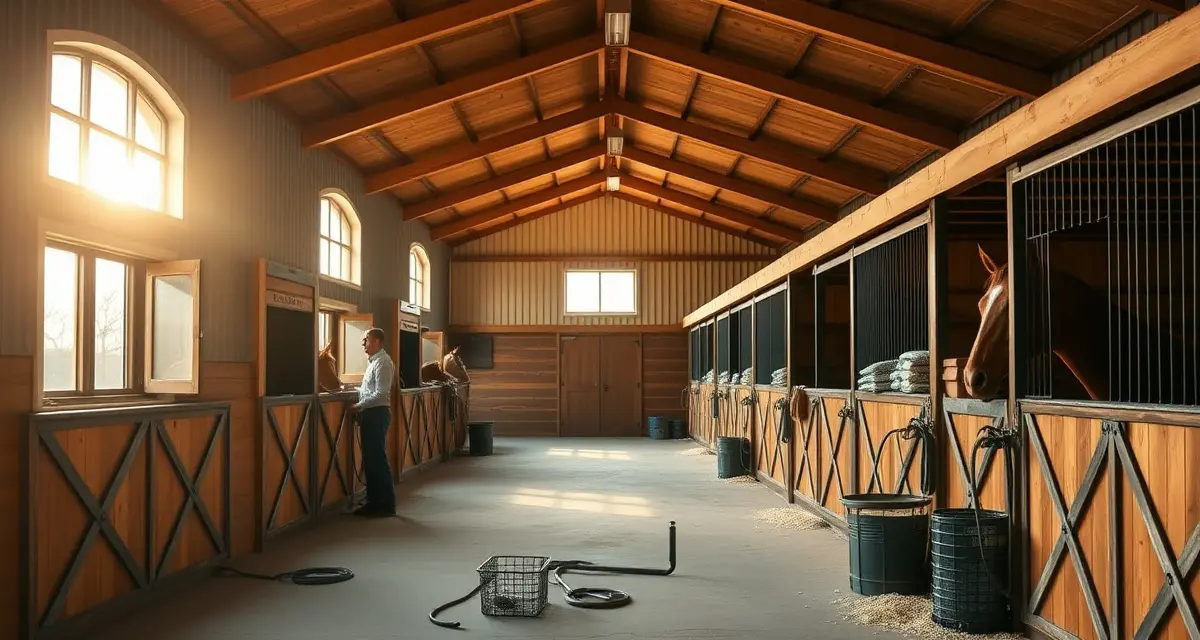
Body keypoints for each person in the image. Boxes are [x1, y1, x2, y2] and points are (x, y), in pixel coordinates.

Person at [348, 327, 396, 517]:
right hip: (372, 414)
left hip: (376, 414)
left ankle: (384, 504)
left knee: (377, 460)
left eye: (366, 339)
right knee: (371, 460)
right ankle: (374, 501)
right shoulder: (374, 363)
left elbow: (381, 394)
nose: (363, 343)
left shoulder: (383, 363)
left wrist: (359, 406)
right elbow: (368, 389)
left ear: (377, 342)